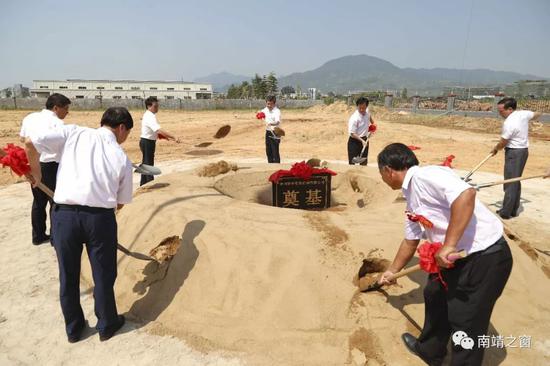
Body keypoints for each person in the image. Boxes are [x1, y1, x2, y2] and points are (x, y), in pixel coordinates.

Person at [377, 143, 513, 366]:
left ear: (388, 170)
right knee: (434, 294)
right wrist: (392, 271)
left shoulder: (426, 176)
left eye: (381, 173)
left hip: (483, 257)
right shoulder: (411, 196)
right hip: (451, 261)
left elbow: (466, 194)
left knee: (466, 323)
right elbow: (410, 241)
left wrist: (449, 244)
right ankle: (430, 350)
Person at [24, 107, 134, 343]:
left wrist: (37, 173)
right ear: (122, 128)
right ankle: (107, 324)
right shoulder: (122, 157)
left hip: (64, 217)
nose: (126, 138)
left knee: (68, 274)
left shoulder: (74, 133)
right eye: (127, 133)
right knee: (103, 275)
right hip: (100, 219)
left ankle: (74, 329)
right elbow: (121, 203)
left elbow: (30, 142)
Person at [19, 93, 70, 245]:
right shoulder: (58, 124)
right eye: (65, 109)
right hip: (50, 166)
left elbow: (23, 139)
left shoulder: (30, 118)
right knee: (55, 201)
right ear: (56, 108)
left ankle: (38, 235)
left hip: (32, 163)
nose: (67, 112)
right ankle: (56, 238)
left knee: (38, 202)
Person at [490, 97, 541, 219]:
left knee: (510, 182)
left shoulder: (509, 123)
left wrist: (495, 149)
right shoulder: (522, 114)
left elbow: (503, 142)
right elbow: (538, 114)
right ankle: (513, 209)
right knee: (515, 180)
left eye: (501, 111)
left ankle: (506, 212)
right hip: (523, 152)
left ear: (510, 109)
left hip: (514, 153)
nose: (500, 113)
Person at [140, 96, 180, 186]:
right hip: (147, 142)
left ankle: (143, 184)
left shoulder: (149, 115)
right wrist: (174, 137)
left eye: (157, 106)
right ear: (149, 106)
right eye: (155, 106)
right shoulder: (150, 116)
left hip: (147, 141)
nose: (157, 108)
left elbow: (154, 131)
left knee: (146, 163)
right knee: (148, 165)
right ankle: (150, 184)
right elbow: (158, 130)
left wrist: (163, 136)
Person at [348, 96, 375, 165]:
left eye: (364, 108)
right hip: (354, 141)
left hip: (365, 140)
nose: (362, 110)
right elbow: (352, 134)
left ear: (366, 106)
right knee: (352, 163)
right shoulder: (354, 118)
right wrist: (362, 141)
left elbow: (371, 120)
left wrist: (373, 126)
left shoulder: (367, 112)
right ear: (357, 106)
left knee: (363, 163)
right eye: (360, 108)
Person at [261, 95, 282, 163]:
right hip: (268, 132)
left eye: (271, 104)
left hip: (275, 132)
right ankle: (270, 165)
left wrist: (271, 123)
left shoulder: (277, 111)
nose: (269, 105)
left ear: (274, 103)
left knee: (275, 151)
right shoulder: (264, 110)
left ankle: (276, 167)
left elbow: (277, 122)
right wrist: (259, 116)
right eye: (267, 103)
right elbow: (261, 115)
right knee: (268, 151)